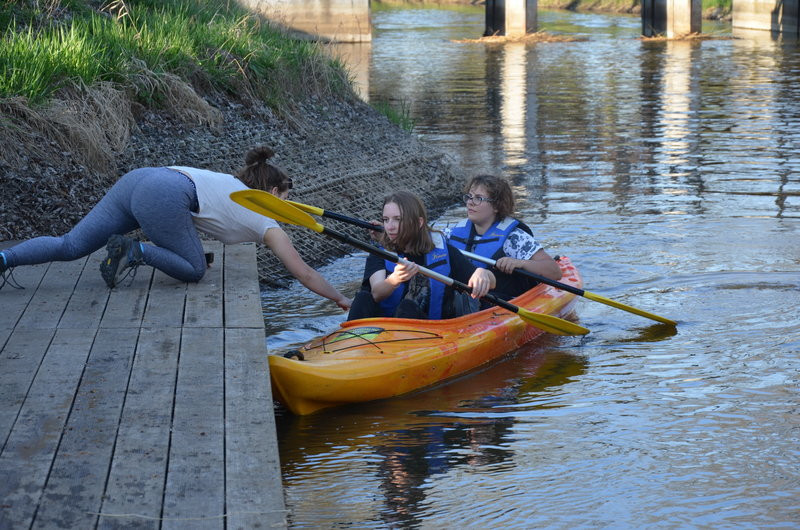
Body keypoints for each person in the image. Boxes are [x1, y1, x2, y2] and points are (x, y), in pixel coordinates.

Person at [0, 146, 351, 311]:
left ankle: (5, 259)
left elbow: (194, 217)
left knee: (70, 245)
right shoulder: (266, 221)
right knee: (194, 269)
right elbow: (304, 273)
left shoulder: (228, 183)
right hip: (163, 196)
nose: (289, 204)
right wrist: (339, 297)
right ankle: (134, 250)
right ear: (273, 193)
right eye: (287, 198)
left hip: (142, 179)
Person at [347, 191, 494, 321]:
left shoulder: (442, 252)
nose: (390, 227)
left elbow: (492, 283)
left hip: (427, 332)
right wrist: (394, 279)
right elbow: (376, 293)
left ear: (418, 223)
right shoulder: (380, 253)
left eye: (398, 219)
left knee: (408, 307)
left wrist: (483, 273)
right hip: (380, 332)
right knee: (362, 298)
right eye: (386, 220)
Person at [445, 174, 562, 304]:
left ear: (496, 206)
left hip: (501, 303)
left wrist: (519, 263)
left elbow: (555, 272)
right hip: (461, 301)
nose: (470, 202)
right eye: (469, 196)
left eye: (478, 198)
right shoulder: (450, 234)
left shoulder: (514, 238)